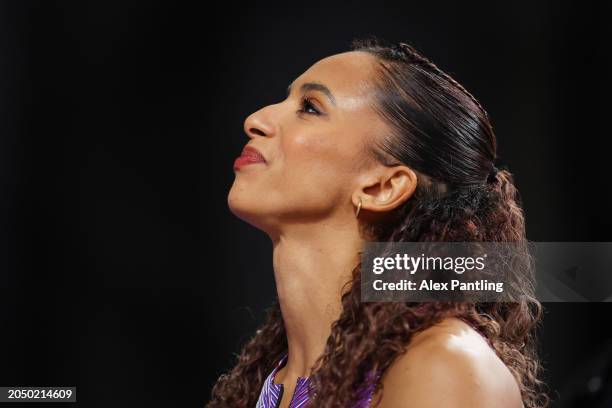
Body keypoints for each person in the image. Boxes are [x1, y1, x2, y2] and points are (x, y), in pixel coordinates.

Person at [208, 36, 548, 407]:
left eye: (309, 107)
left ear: (383, 186)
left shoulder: (443, 367)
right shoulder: (266, 384)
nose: (255, 120)